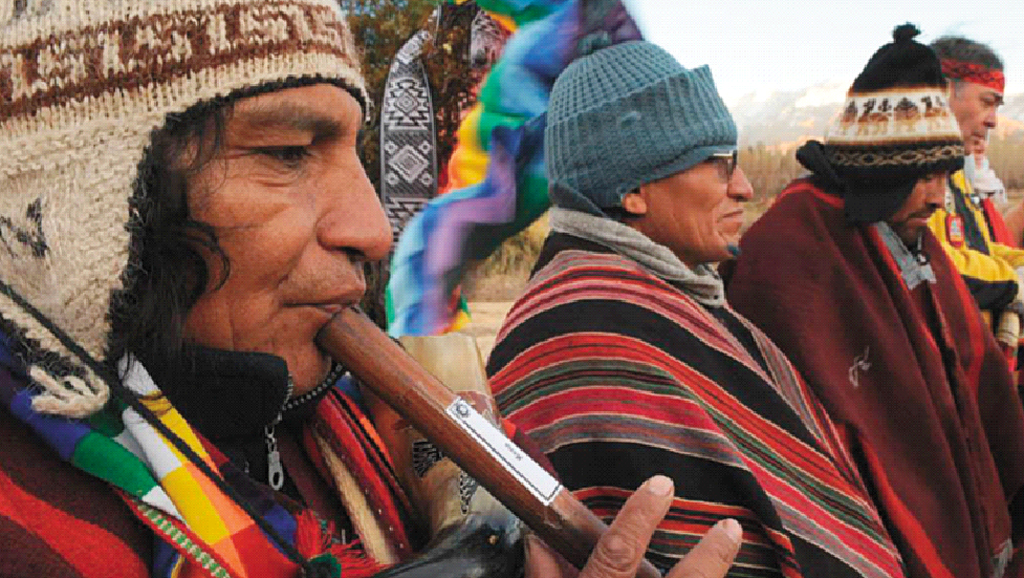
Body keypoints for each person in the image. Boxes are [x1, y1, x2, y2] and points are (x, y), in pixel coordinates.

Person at [0, 2, 745, 578]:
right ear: (85, 203)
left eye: (352, 152)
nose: (374, 228)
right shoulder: (28, 529)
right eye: (288, 153)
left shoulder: (362, 410)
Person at [486, 39, 907, 578]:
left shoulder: (667, 297)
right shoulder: (591, 333)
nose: (746, 187)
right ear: (633, 189)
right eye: (718, 165)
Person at [726, 25, 1024, 578]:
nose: (939, 196)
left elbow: (966, 365)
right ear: (885, 170)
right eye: (926, 176)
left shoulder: (909, 227)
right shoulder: (793, 248)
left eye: (946, 176)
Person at [924, 35, 1024, 344]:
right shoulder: (912, 173)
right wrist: (1013, 281)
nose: (993, 121)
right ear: (943, 91)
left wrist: (1019, 264)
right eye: (987, 102)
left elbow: (977, 247)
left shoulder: (955, 176)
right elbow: (934, 263)